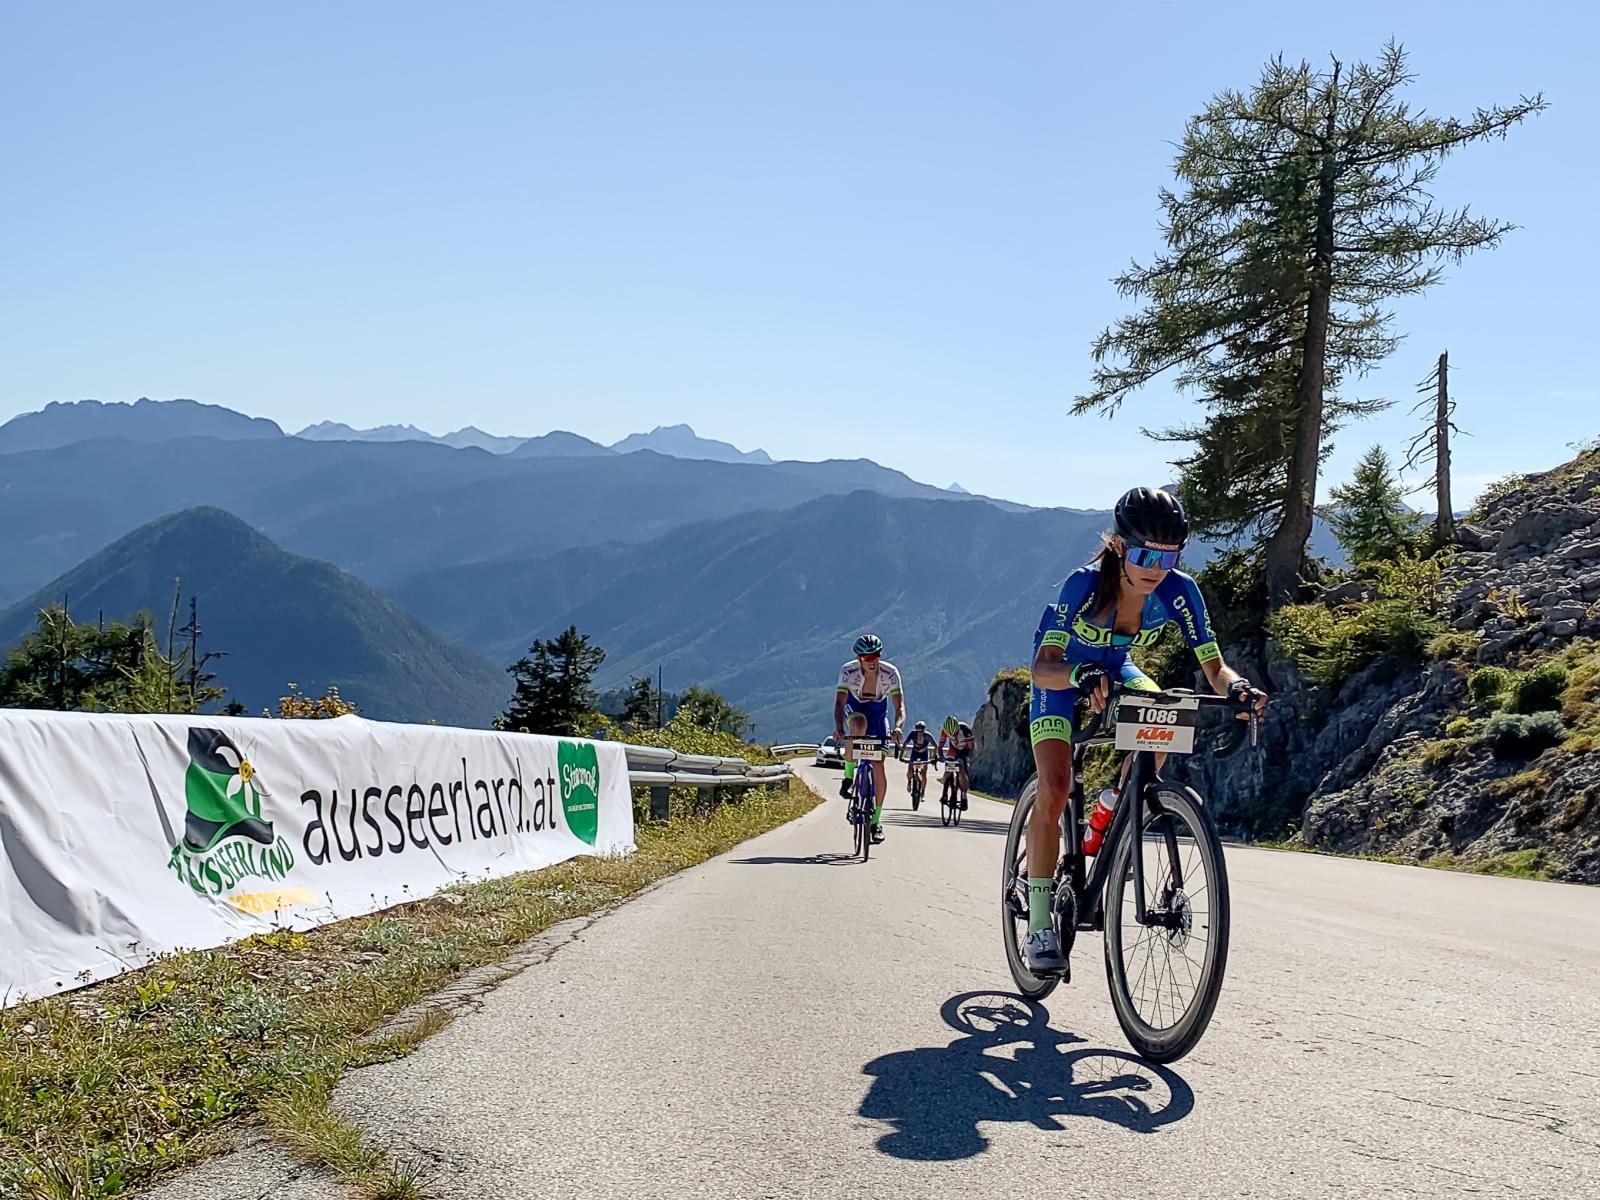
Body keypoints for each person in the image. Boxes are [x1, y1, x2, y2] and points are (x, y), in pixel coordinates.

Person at [1023, 487, 1265, 974]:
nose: (1156, 566)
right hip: (1064, 675)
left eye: (1169, 554)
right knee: (1055, 787)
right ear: (1118, 547)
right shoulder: (1083, 585)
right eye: (1144, 554)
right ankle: (1039, 923)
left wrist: (1239, 688)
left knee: (1162, 711)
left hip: (1118, 669)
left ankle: (1113, 810)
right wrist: (1080, 675)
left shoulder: (1181, 591)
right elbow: (1042, 667)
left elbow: (1214, 667)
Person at [833, 633, 905, 844]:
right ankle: (848, 778)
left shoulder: (891, 674)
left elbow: (899, 706)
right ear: (859, 659)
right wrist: (838, 727)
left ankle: (875, 821)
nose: (871, 660)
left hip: (878, 714)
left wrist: (899, 727)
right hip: (855, 708)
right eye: (866, 657)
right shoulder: (848, 671)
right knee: (858, 726)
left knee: (878, 764)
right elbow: (839, 703)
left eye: (874, 655)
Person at [939, 718, 975, 809]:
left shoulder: (965, 729)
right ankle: (945, 793)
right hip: (953, 750)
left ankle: (964, 796)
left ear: (957, 728)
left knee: (962, 770)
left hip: (965, 750)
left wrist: (968, 758)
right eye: (951, 734)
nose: (953, 735)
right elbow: (940, 745)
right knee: (948, 769)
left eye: (955, 733)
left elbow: (972, 747)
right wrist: (940, 756)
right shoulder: (945, 730)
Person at [902, 720, 938, 793]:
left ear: (924, 731)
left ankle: (923, 792)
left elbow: (935, 746)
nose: (920, 733)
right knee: (910, 770)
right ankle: (909, 781)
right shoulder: (913, 734)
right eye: (918, 732)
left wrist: (935, 757)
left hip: (924, 754)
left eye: (921, 732)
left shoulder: (927, 735)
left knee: (924, 774)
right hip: (914, 753)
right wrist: (901, 756)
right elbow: (905, 744)